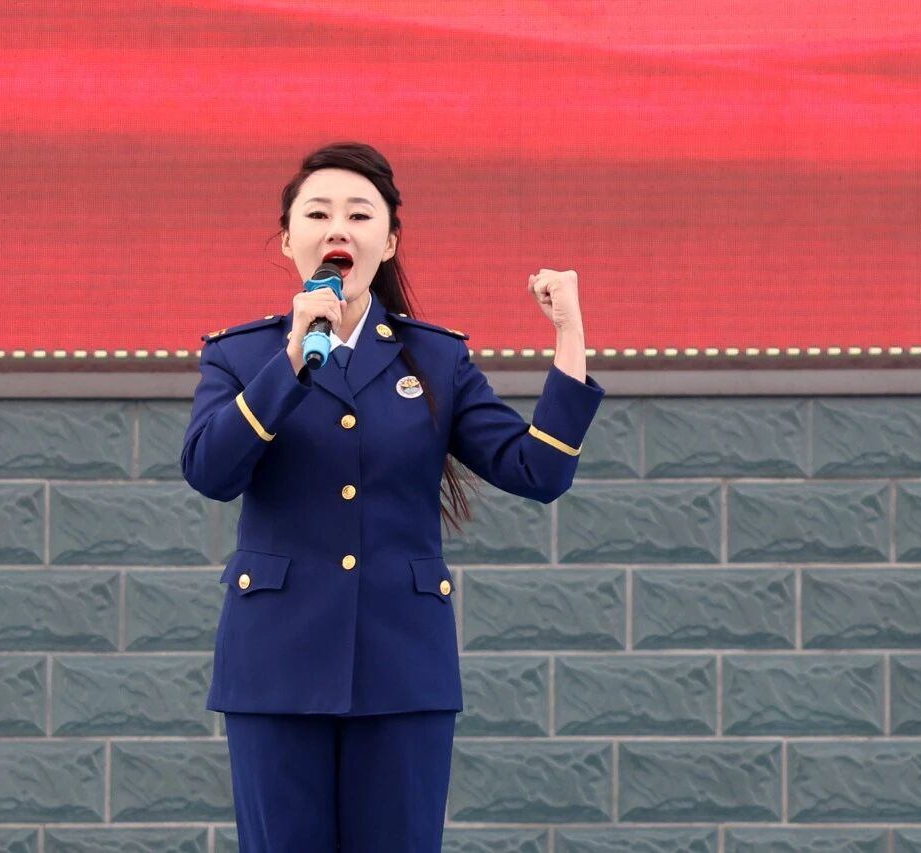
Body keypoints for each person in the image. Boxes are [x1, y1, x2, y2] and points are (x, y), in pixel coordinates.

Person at [179, 141, 605, 852]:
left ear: (390, 240)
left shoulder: (436, 357)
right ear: (288, 240)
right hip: (275, 666)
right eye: (318, 213)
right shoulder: (241, 355)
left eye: (359, 214)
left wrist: (569, 333)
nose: (338, 228)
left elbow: (539, 469)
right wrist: (291, 360)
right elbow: (209, 471)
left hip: (403, 667)